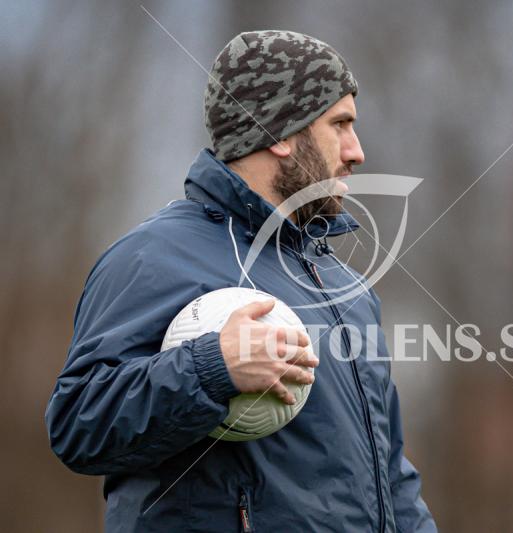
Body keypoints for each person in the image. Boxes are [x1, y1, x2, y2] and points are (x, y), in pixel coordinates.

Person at [45, 30, 437, 532]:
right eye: (339, 124)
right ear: (278, 132)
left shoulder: (348, 288)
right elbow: (78, 425)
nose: (356, 151)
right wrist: (212, 368)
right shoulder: (154, 258)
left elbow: (392, 477)